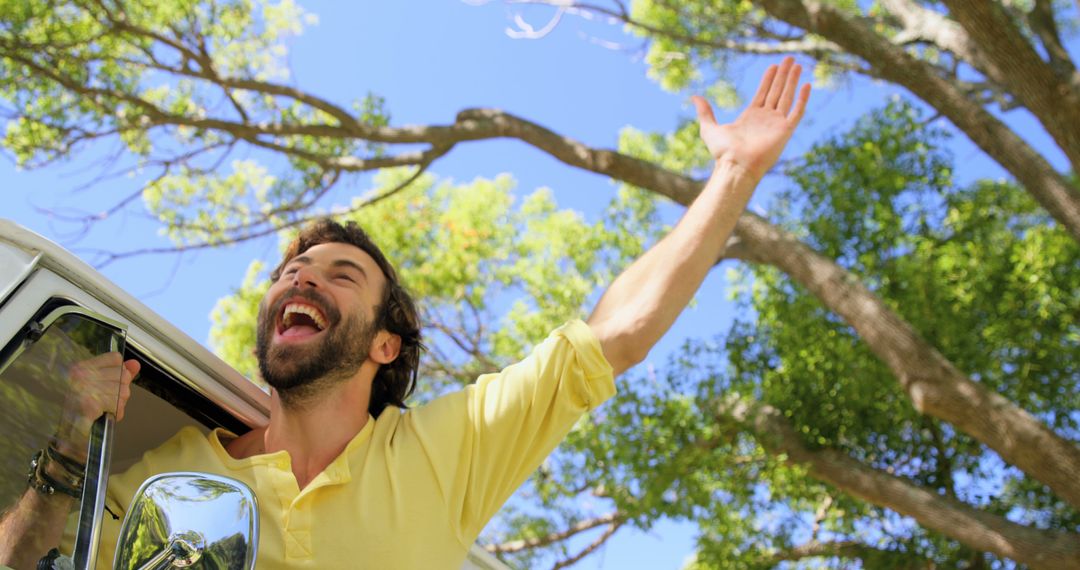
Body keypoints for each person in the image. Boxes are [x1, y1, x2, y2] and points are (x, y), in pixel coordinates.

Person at [0, 57, 810, 569]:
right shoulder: (172, 472)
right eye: (292, 271)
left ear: (386, 343)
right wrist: (70, 449)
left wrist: (733, 175)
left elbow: (616, 334)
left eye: (339, 274)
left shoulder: (443, 453)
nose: (301, 280)